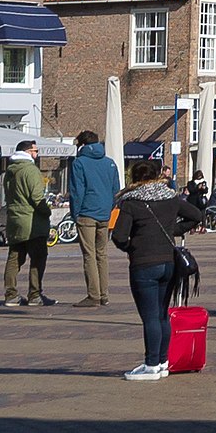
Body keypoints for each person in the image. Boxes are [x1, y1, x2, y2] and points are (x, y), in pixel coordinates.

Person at [113, 156, 200, 379]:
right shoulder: (170, 197)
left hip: (143, 263)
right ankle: (162, 361)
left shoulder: (131, 202)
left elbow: (119, 236)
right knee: (162, 314)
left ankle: (151, 364)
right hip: (169, 262)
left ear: (134, 178)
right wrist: (175, 230)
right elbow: (196, 215)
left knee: (150, 316)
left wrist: (132, 247)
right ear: (157, 175)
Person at [68, 128, 122, 306]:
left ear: (82, 144)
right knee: (102, 254)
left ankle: (93, 294)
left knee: (89, 255)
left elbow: (77, 191)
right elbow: (116, 190)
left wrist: (76, 213)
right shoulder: (110, 163)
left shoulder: (79, 163)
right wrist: (108, 207)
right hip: (104, 213)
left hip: (86, 213)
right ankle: (104, 294)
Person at [2, 140, 54, 309]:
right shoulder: (30, 170)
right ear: (27, 152)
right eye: (35, 150)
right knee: (38, 258)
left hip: (14, 220)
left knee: (14, 258)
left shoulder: (10, 171)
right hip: (32, 222)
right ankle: (35, 294)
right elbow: (37, 198)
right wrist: (47, 211)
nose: (37, 154)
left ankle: (11, 294)